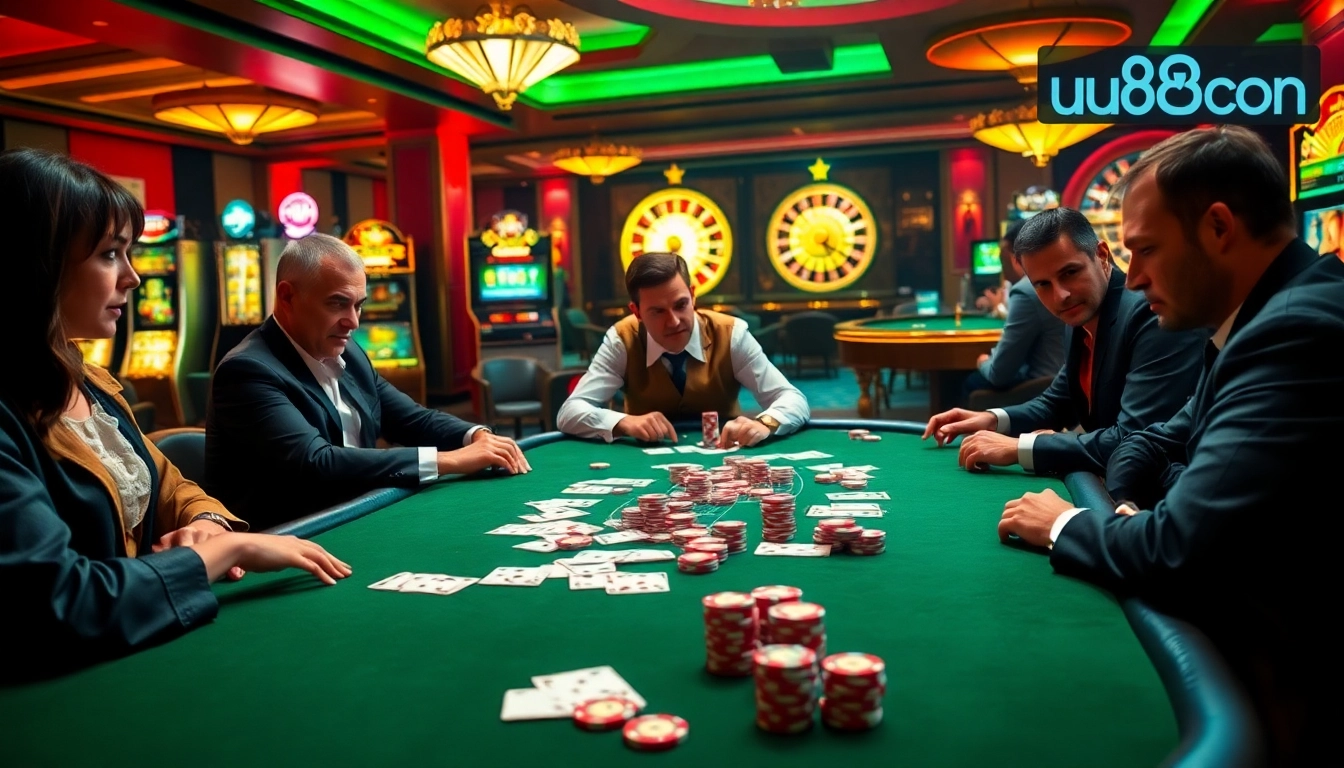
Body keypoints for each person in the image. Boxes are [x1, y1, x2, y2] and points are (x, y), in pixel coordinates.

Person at [996, 125, 1343, 766]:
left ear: (1217, 227)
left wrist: (1066, 521)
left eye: (1147, 250)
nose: (1138, 276)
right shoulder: (1256, 321)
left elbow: (1175, 552)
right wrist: (1128, 503)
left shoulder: (1295, 333)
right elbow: (1156, 439)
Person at [0, 148, 350, 675]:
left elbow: (170, 485)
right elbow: (61, 604)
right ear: (37, 263)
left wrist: (205, 522)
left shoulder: (90, 380)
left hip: (133, 645)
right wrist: (222, 554)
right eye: (109, 254)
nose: (134, 278)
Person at [205, 234, 530, 529]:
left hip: (357, 515)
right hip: (291, 539)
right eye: (337, 303)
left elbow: (412, 418)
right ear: (287, 296)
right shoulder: (248, 371)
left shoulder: (349, 352)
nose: (354, 322)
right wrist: (449, 460)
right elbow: (317, 462)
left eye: (358, 305)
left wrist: (476, 436)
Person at [922, 207, 1206, 477]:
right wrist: (992, 419)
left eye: (1070, 273)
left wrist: (1021, 448)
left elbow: (1134, 438)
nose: (1061, 295)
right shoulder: (1079, 317)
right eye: (1042, 285)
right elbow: (1056, 403)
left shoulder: (1150, 313)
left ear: (1102, 255)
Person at [557, 252, 808, 446]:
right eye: (658, 311)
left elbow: (793, 399)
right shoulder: (622, 339)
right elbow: (569, 412)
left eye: (680, 304)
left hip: (724, 462)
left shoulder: (731, 334)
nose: (674, 321)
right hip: (641, 465)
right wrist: (623, 422)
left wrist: (765, 423)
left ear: (692, 295)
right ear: (637, 312)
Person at [961, 218, 1066, 401]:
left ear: (1015, 258)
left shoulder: (1026, 290)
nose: (1003, 270)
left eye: (1002, 260)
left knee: (971, 381)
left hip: (1042, 391)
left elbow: (998, 374)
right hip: (1067, 383)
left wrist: (983, 361)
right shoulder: (1061, 278)